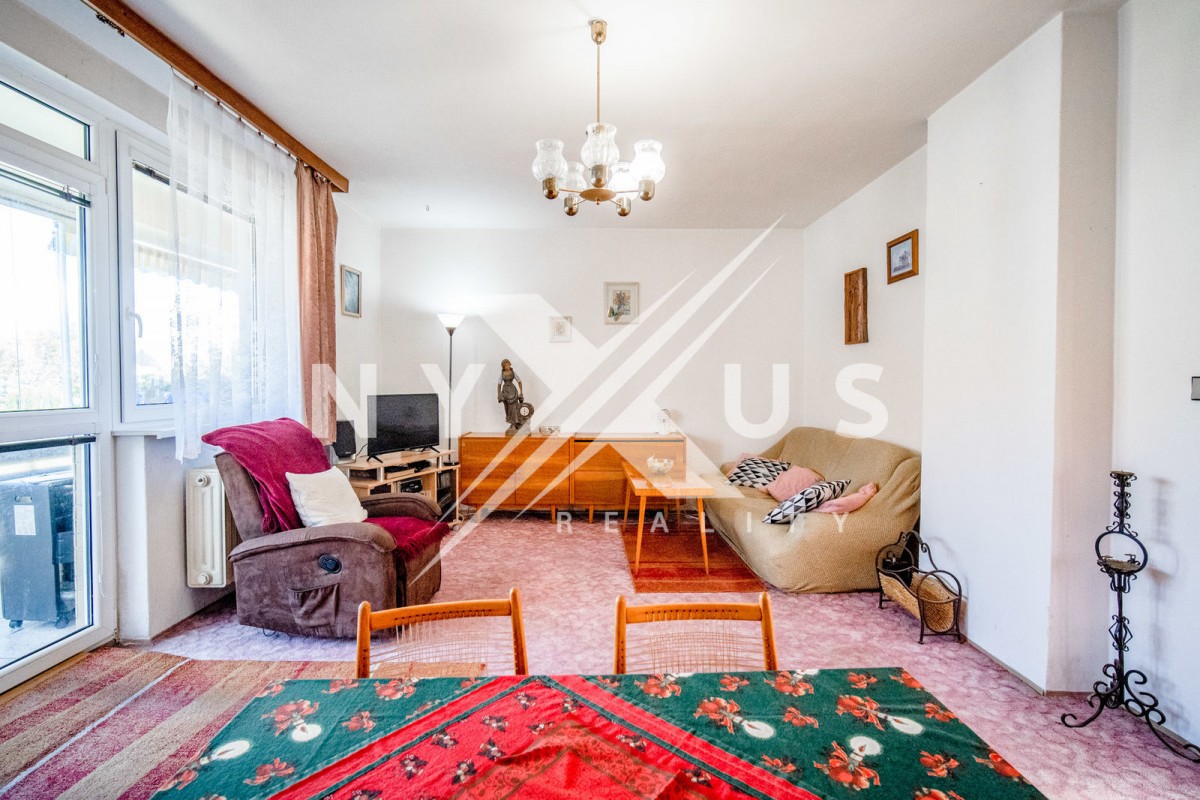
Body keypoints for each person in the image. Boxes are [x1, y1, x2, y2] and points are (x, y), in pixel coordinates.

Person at [497, 359, 525, 435]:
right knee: (507, 407)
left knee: (514, 407)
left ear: (510, 364)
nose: (507, 366)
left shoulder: (513, 373)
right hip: (505, 392)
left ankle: (515, 423)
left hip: (513, 391)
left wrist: (521, 392)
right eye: (505, 365)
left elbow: (519, 381)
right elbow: (499, 384)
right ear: (503, 367)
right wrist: (499, 394)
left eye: (508, 364)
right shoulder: (502, 373)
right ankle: (511, 422)